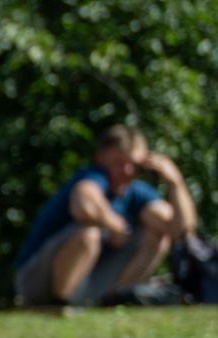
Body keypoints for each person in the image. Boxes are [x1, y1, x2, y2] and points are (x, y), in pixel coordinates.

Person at [15, 124, 199, 309]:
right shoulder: (93, 176)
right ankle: (57, 305)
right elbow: (83, 204)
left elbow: (182, 233)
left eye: (133, 165)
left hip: (85, 281)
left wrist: (176, 183)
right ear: (100, 158)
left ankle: (115, 300)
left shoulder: (136, 192)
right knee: (89, 234)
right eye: (119, 163)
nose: (127, 171)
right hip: (34, 279)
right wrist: (113, 225)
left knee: (158, 236)